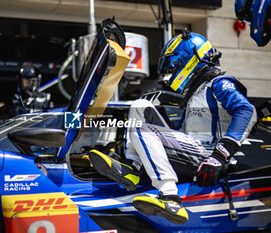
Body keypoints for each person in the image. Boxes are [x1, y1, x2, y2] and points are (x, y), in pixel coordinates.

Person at [89, 31, 257, 224]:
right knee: (141, 106)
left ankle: (170, 197)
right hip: (192, 152)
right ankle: (133, 168)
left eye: (174, 64)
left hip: (209, 157)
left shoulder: (218, 83)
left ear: (190, 59)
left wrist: (219, 155)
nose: (171, 71)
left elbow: (247, 111)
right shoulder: (194, 93)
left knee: (144, 123)